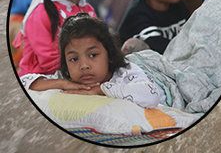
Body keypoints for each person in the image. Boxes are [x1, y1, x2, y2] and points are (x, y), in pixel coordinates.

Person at [20, 13, 163, 108]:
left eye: (93, 55)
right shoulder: (69, 79)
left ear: (109, 53)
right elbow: (24, 83)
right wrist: (62, 83)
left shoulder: (124, 73)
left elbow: (152, 95)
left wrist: (100, 90)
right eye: (73, 59)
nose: (83, 66)